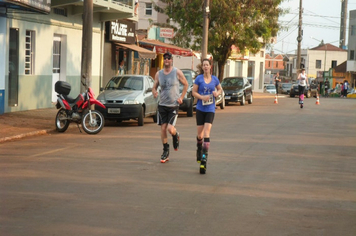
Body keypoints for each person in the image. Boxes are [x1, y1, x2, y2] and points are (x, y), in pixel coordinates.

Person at [152, 52, 188, 163]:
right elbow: (154, 87)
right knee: (163, 128)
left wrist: (181, 97)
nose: (166, 60)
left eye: (168, 58)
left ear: (171, 60)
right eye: (165, 58)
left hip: (173, 105)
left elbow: (186, 84)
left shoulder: (176, 72)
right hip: (162, 104)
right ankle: (165, 150)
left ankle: (175, 134)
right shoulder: (159, 74)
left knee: (170, 129)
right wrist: (154, 92)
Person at [192, 59, 222, 173]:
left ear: (210, 67)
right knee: (200, 135)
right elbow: (194, 92)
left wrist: (216, 93)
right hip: (200, 108)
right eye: (204, 65)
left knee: (206, 133)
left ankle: (204, 158)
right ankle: (199, 148)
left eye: (207, 65)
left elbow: (220, 89)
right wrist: (201, 97)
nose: (205, 67)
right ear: (202, 67)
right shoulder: (199, 79)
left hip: (210, 109)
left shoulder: (215, 79)